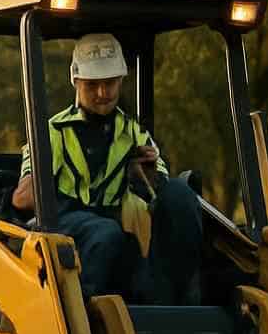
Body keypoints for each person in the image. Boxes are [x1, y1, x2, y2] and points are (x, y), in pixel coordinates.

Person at [12, 33, 202, 304]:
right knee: (106, 235)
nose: (102, 93)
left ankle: (179, 304)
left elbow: (160, 188)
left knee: (180, 196)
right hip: (61, 224)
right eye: (92, 85)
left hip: (112, 227)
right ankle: (82, 313)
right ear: (75, 80)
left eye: (110, 83)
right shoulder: (50, 132)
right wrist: (37, 184)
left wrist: (149, 179)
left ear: (121, 80)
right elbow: (20, 199)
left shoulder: (134, 133)